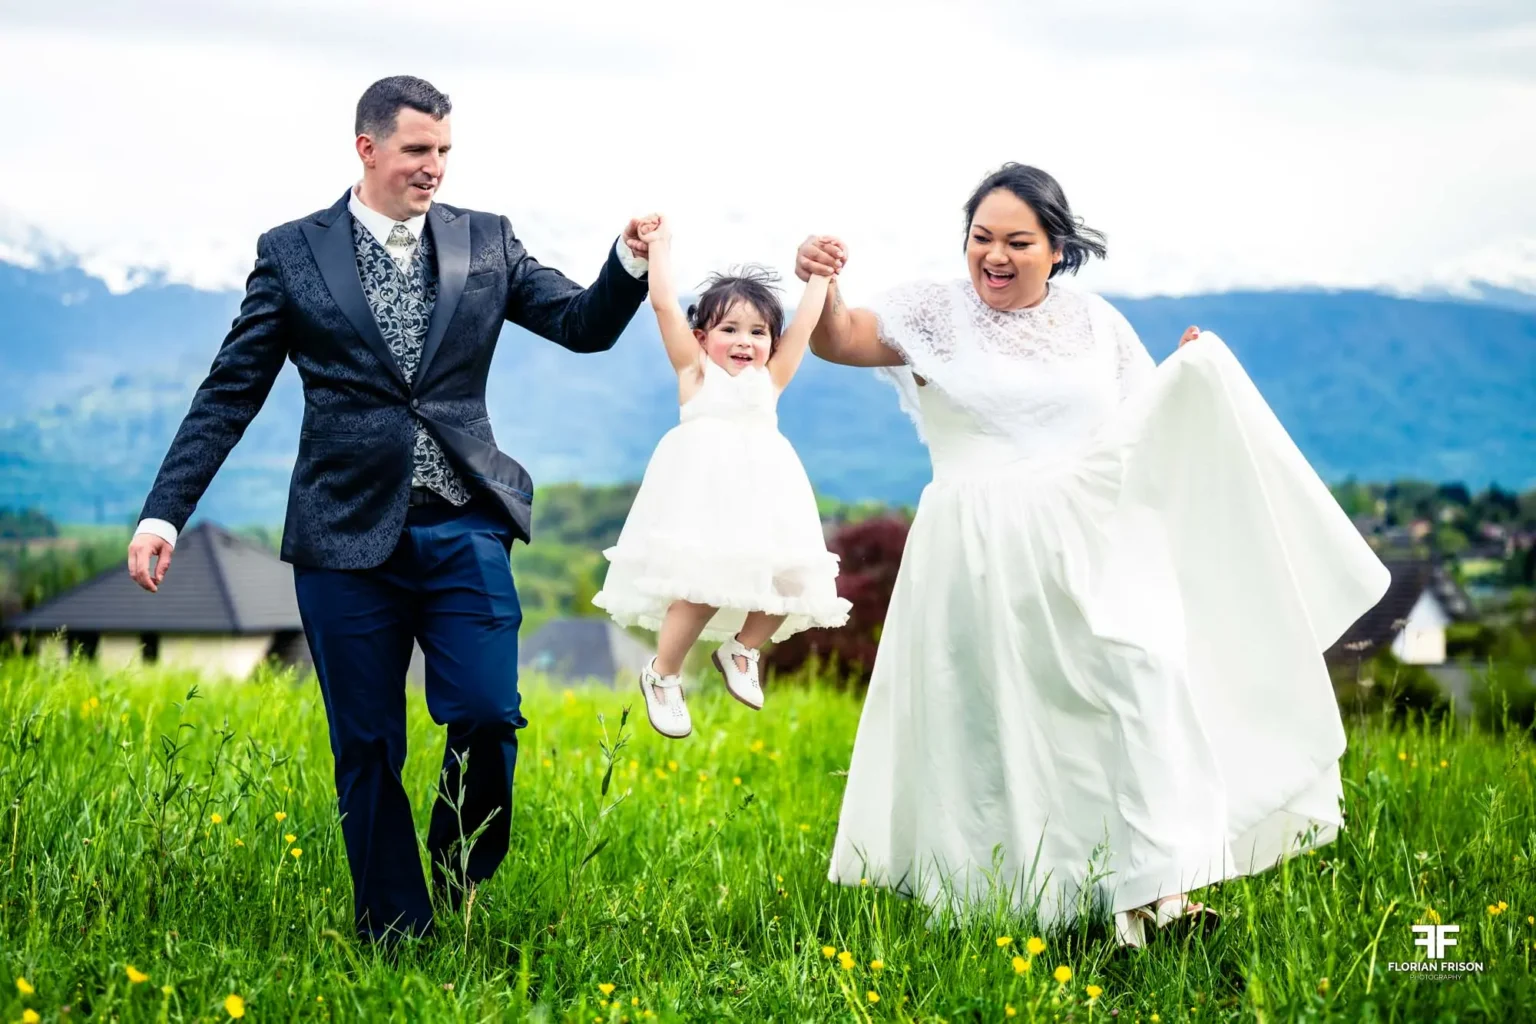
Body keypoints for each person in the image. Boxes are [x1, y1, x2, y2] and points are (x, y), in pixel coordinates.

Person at [799, 163, 1390, 947]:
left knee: (1139, 687)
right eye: (981, 239)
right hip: (977, 548)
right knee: (997, 719)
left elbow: (1141, 426)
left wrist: (1187, 376)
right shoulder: (934, 313)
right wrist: (820, 283)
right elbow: (839, 340)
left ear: (1057, 249)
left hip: (1091, 539)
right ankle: (1014, 899)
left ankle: (1159, 894)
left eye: (1018, 241)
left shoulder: (1096, 325)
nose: (994, 257)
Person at [126, 75, 656, 941]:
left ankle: (456, 870)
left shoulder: (487, 241)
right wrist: (163, 513)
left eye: (445, 151)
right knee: (366, 745)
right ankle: (394, 929)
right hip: (342, 536)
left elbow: (581, 324)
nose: (434, 168)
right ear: (367, 148)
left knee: (487, 711)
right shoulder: (294, 251)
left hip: (464, 522)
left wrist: (627, 263)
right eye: (417, 150)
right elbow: (231, 391)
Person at [592, 215, 851, 739]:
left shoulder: (771, 379)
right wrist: (659, 246)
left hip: (765, 495)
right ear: (702, 337)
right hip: (704, 494)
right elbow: (664, 304)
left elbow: (802, 327)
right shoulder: (695, 373)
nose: (744, 341)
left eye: (757, 332)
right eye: (729, 329)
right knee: (704, 581)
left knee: (792, 577)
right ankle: (663, 674)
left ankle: (742, 649)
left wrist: (821, 275)